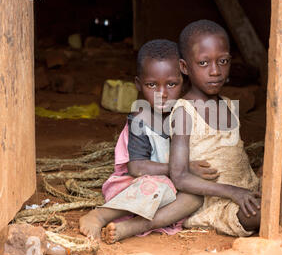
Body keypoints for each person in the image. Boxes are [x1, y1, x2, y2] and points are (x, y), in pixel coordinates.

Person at [79, 39, 217, 242]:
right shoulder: (141, 119)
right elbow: (137, 167)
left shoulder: (185, 113)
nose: (162, 94)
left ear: (184, 82)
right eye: (152, 85)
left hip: (173, 186)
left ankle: (134, 227)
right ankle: (99, 215)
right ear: (138, 84)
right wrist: (184, 168)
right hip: (136, 186)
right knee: (156, 187)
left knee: (194, 196)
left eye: (171, 84)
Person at [168, 20, 262, 237]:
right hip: (215, 203)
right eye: (203, 63)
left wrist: (249, 186)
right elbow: (180, 176)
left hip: (248, 191)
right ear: (184, 67)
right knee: (270, 212)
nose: (215, 71)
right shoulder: (184, 111)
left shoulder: (229, 104)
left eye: (223, 61)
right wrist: (232, 192)